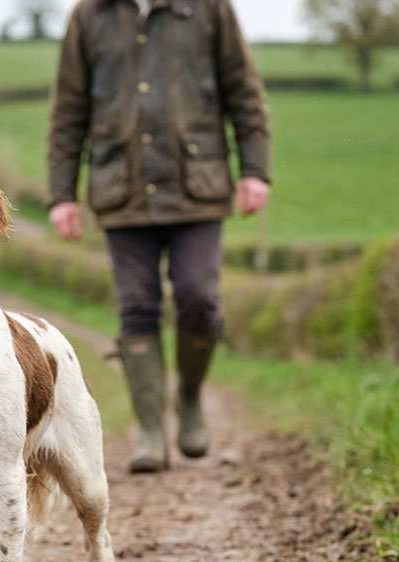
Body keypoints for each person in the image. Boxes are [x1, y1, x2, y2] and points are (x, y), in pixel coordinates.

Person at [47, 0, 271, 472]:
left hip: (199, 187)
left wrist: (255, 170)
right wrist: (61, 195)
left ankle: (188, 398)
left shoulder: (210, 9)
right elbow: (68, 111)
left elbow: (245, 93)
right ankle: (151, 431)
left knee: (199, 297)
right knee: (137, 305)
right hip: (121, 191)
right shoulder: (89, 15)